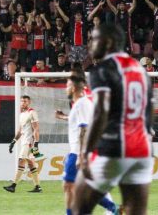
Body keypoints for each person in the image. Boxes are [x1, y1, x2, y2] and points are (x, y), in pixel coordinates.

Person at [73, 23, 152, 215]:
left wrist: (85, 153)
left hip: (114, 147)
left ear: (107, 42)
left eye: (93, 39)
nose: (90, 44)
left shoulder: (103, 69)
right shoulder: (141, 70)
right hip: (142, 150)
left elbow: (101, 111)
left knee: (79, 207)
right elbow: (150, 109)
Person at [55, 69, 119, 215]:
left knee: (70, 186)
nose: (65, 89)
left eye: (66, 85)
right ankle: (113, 208)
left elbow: (84, 129)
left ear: (72, 88)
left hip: (80, 153)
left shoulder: (82, 103)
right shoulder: (80, 104)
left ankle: (113, 208)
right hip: (78, 151)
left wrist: (81, 155)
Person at [3, 95, 42, 193]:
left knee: (21, 160)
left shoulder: (32, 113)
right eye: (21, 101)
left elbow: (36, 129)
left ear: (29, 102)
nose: (22, 103)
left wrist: (36, 143)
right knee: (30, 164)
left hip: (29, 142)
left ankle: (13, 185)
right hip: (24, 141)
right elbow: (20, 130)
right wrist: (13, 141)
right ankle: (38, 187)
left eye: (25, 101)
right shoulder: (22, 115)